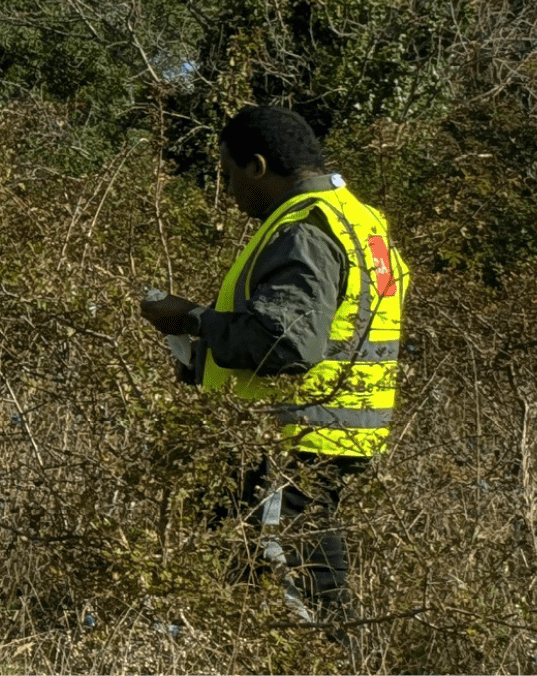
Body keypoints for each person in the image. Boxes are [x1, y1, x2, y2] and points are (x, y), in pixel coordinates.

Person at [140, 104, 409, 627]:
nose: (229, 191)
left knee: (297, 605)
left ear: (257, 167)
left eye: (229, 175)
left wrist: (193, 318)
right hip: (330, 433)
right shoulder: (361, 219)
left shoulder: (303, 230)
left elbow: (284, 343)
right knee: (280, 590)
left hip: (288, 444)